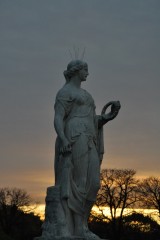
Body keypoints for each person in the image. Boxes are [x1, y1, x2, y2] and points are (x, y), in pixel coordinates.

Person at [54, 59, 121, 239]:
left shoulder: (87, 95)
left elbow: (93, 120)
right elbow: (59, 118)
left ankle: (82, 224)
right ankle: (78, 227)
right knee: (79, 181)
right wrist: (63, 138)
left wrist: (107, 117)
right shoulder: (65, 92)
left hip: (90, 136)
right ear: (76, 71)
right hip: (75, 135)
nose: (88, 74)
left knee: (94, 183)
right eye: (85, 70)